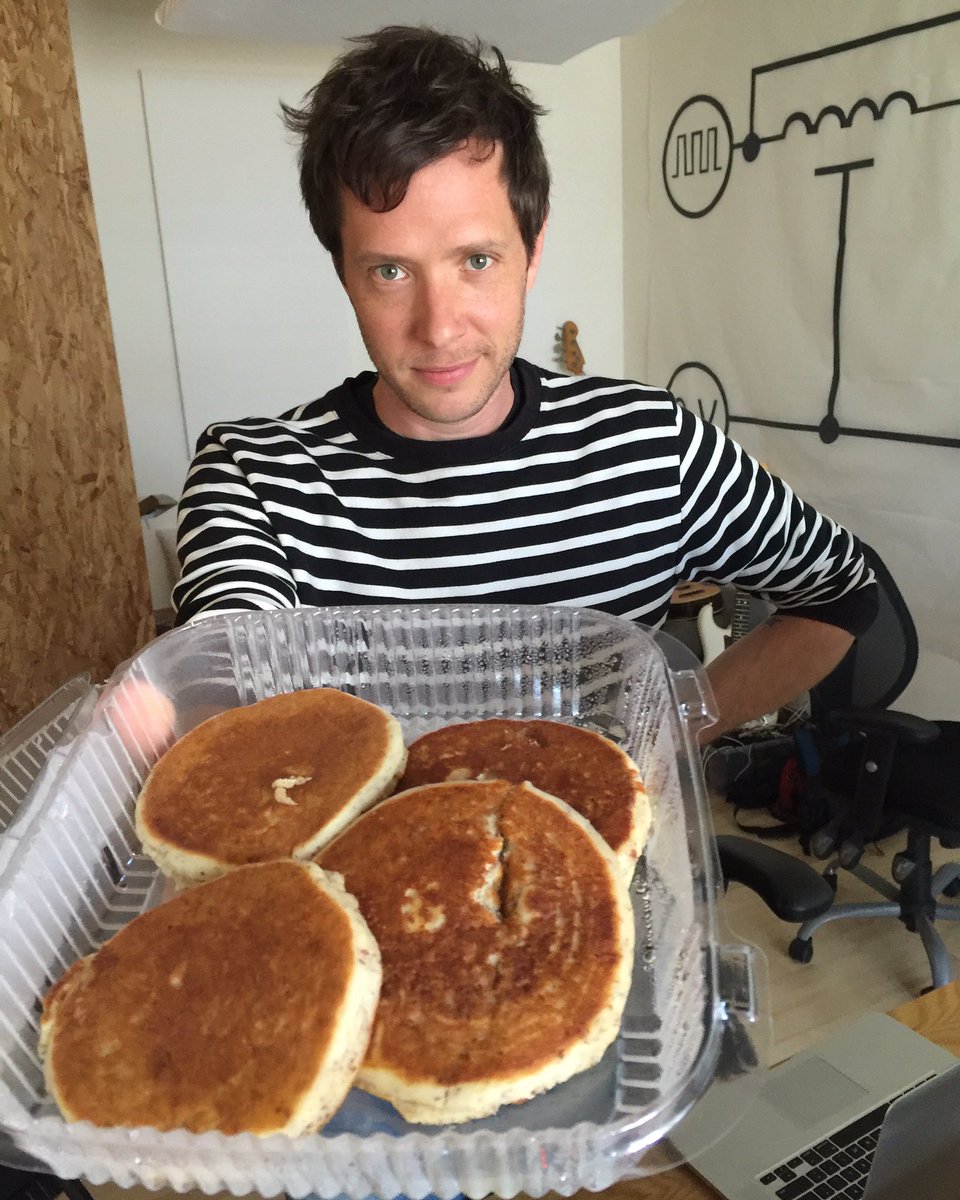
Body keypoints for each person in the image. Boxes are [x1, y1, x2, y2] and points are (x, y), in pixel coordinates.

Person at [171, 25, 877, 742]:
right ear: (344, 273)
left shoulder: (653, 448)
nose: (439, 328)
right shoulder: (252, 477)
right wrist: (192, 707)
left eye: (476, 261)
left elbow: (842, 592)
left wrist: (674, 727)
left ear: (532, 252)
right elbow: (226, 677)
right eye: (390, 271)